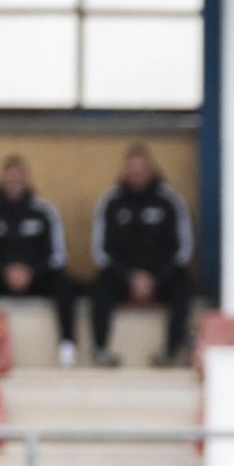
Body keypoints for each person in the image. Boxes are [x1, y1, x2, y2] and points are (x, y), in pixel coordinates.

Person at [0, 156, 78, 368]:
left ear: (27, 180)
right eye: (9, 179)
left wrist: (30, 272)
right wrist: (5, 272)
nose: (14, 183)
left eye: (18, 179)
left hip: (36, 277)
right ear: (1, 180)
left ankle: (67, 347)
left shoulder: (45, 211)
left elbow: (59, 254)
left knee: (64, 282)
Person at [90, 144, 195, 367]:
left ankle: (170, 352)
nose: (136, 175)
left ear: (152, 170)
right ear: (124, 171)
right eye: (131, 170)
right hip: (122, 275)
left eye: (141, 170)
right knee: (100, 286)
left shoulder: (170, 201)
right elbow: (100, 251)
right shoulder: (111, 201)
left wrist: (154, 279)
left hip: (161, 275)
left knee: (183, 287)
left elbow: (183, 250)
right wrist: (130, 278)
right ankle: (101, 350)